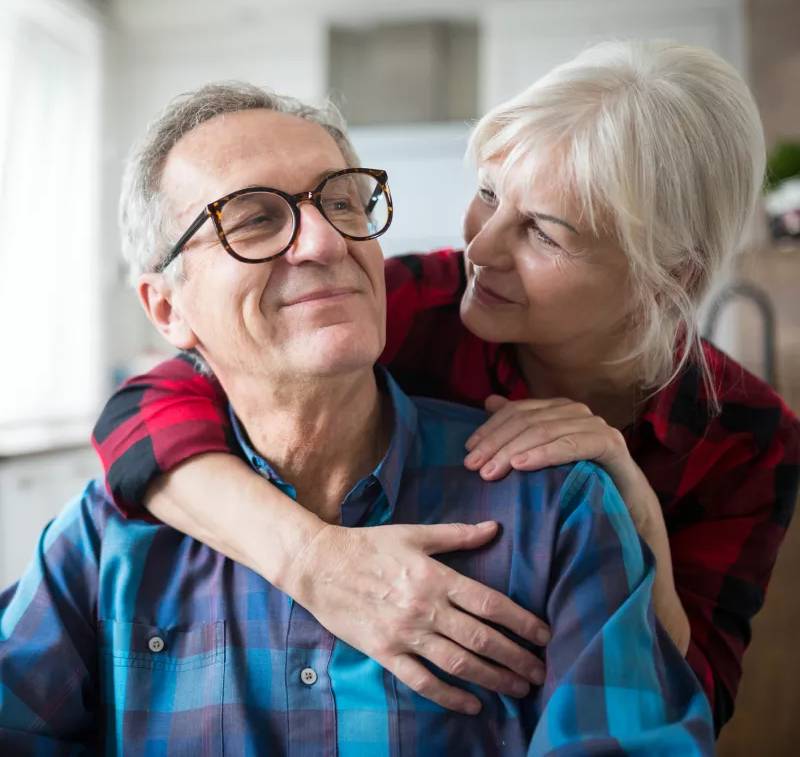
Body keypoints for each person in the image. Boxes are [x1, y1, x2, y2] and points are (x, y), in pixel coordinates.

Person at [92, 40, 800, 733]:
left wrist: (640, 520)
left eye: (542, 233)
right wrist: (312, 562)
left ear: (668, 276)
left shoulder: (746, 435)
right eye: (488, 195)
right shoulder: (416, 303)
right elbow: (141, 411)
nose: (481, 248)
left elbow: (697, 699)